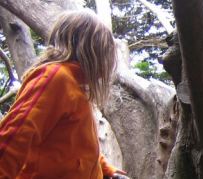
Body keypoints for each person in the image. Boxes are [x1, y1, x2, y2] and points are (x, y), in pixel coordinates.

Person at [0, 9, 128, 179]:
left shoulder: (76, 86)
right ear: (89, 47)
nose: (107, 60)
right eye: (105, 50)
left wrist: (107, 170)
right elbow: (13, 137)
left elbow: (78, 147)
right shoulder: (55, 78)